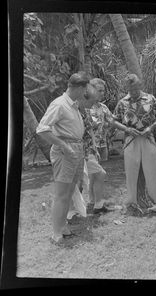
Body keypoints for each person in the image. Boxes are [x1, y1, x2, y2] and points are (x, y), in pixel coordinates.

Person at [36, 72, 91, 244]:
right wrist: (64, 146)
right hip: (65, 151)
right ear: (79, 87)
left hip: (76, 149)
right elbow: (42, 129)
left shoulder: (73, 105)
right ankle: (56, 233)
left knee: (69, 192)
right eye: (85, 89)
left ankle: (63, 227)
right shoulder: (59, 104)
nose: (85, 93)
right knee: (61, 194)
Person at [113, 74, 156, 212]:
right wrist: (127, 129)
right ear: (127, 88)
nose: (134, 92)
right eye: (131, 89)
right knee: (131, 170)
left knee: (151, 169)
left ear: (140, 86)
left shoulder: (150, 99)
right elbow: (113, 120)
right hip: (131, 140)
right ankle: (133, 200)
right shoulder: (122, 102)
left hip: (148, 138)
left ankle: (152, 199)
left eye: (136, 88)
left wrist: (150, 128)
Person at [86, 78, 130, 214]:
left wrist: (128, 129)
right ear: (91, 90)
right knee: (94, 174)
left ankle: (93, 202)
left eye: (103, 91)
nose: (102, 93)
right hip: (88, 146)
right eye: (99, 90)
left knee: (95, 174)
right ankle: (94, 204)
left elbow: (112, 121)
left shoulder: (103, 107)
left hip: (100, 144)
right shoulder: (85, 105)